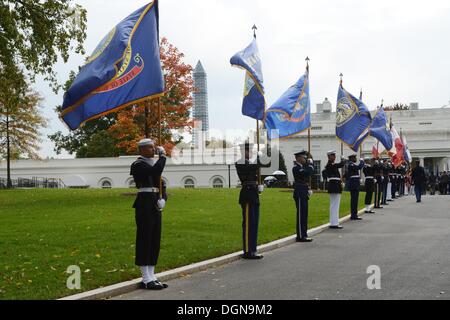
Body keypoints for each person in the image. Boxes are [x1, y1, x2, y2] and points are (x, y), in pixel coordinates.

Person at [130, 139, 168, 290]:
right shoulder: (138, 165)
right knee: (145, 238)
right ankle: (145, 278)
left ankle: (152, 275)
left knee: (154, 238)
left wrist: (163, 199)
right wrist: (163, 156)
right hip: (144, 203)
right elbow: (155, 172)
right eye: (151, 148)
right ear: (142, 150)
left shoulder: (153, 164)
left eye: (154, 147)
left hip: (155, 203)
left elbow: (162, 184)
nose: (154, 150)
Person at [235, 142, 269, 260]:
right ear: (243, 151)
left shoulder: (249, 162)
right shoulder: (240, 162)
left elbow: (263, 164)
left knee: (254, 223)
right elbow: (254, 166)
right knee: (249, 224)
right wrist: (260, 157)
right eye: (249, 151)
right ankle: (248, 251)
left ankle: (253, 249)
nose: (251, 153)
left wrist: (258, 185)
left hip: (253, 193)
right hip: (248, 194)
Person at [292, 150, 315, 241]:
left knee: (304, 214)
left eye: (305, 157)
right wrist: (311, 164)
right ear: (297, 158)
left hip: (304, 191)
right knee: (301, 214)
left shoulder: (303, 166)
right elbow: (307, 172)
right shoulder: (296, 167)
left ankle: (304, 234)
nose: (305, 159)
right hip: (299, 191)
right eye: (303, 157)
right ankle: (300, 235)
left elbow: (308, 173)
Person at [324, 150, 346, 229]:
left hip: (335, 185)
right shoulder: (330, 164)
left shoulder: (332, 164)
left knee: (335, 205)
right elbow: (340, 165)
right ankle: (334, 223)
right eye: (333, 155)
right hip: (334, 186)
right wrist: (343, 160)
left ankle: (334, 222)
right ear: (329, 157)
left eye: (334, 155)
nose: (334, 157)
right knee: (334, 205)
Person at [347, 154, 365, 220]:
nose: (356, 159)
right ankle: (353, 215)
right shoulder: (351, 165)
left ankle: (355, 214)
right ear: (351, 158)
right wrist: (362, 161)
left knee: (355, 200)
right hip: (353, 184)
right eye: (354, 158)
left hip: (355, 184)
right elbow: (359, 167)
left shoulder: (353, 164)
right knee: (354, 200)